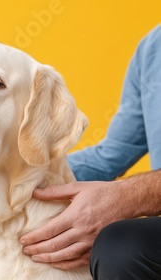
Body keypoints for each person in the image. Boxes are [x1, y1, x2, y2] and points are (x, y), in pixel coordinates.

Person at [20, 24, 161, 279]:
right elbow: (109, 156)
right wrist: (22, 174)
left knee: (120, 248)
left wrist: (129, 196)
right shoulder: (153, 48)